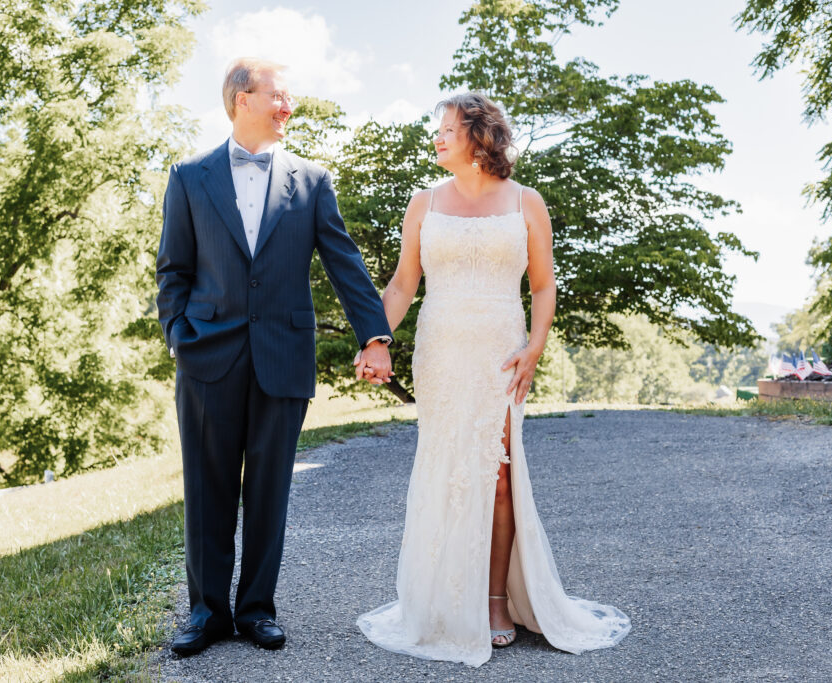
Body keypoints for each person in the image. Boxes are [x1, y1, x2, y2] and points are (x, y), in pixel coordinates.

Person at [356, 93, 630, 666]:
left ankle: (495, 599)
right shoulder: (422, 203)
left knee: (500, 476)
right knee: (447, 468)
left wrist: (535, 345)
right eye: (439, 129)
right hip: (442, 351)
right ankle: (440, 601)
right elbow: (404, 285)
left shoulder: (527, 202)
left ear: (480, 137)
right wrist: (375, 338)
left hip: (501, 353)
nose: (437, 138)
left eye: (448, 130)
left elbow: (544, 286)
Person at [156, 57, 394, 657]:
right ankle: (206, 613)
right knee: (208, 490)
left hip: (283, 356)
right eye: (279, 97)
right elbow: (173, 270)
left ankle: (257, 610)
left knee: (269, 490)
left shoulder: (312, 180)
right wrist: (180, 334)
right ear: (242, 98)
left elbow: (345, 262)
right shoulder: (188, 177)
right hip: (206, 357)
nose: (290, 107)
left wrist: (375, 335)